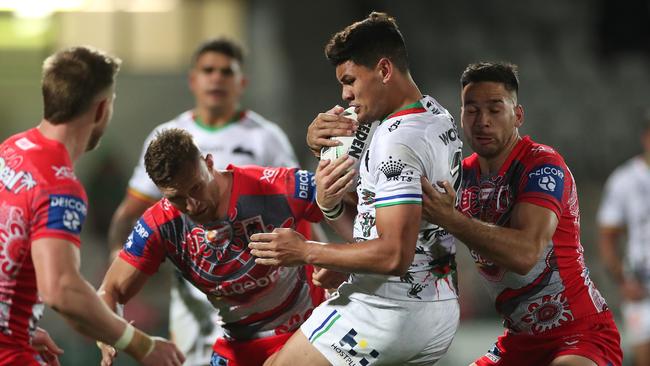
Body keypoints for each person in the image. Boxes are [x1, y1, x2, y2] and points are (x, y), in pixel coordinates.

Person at [249, 12, 462, 365]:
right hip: (436, 309)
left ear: (383, 70)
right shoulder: (436, 116)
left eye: (350, 81)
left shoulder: (398, 142)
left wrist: (307, 251)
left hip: (386, 309)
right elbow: (379, 227)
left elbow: (394, 254)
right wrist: (330, 199)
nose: (345, 94)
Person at [107, 37, 310, 366]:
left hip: (262, 281)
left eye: (225, 72)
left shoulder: (265, 136)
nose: (216, 78)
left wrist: (317, 260)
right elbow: (130, 212)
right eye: (208, 70)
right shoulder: (167, 136)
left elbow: (300, 207)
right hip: (196, 287)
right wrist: (121, 258)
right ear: (193, 80)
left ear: (241, 82)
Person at [419, 62, 622, 366]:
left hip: (579, 332)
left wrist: (451, 219)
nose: (482, 121)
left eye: (494, 109)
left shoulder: (542, 166)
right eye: (471, 110)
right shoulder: (459, 175)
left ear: (517, 116)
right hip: (518, 341)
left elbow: (526, 254)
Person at [0, 46, 183, 366]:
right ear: (101, 110)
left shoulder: (12, 150)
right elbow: (61, 289)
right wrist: (140, 344)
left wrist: (21, 326)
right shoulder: (59, 186)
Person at [98, 128, 326, 366]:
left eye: (196, 188)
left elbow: (353, 204)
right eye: (177, 198)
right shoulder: (160, 225)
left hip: (309, 328)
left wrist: (329, 258)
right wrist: (110, 334)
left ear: (209, 163)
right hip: (238, 345)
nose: (192, 205)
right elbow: (110, 290)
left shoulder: (270, 186)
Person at [597, 116, 650, 366]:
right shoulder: (625, 180)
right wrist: (622, 280)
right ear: (646, 138)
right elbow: (608, 236)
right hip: (642, 285)